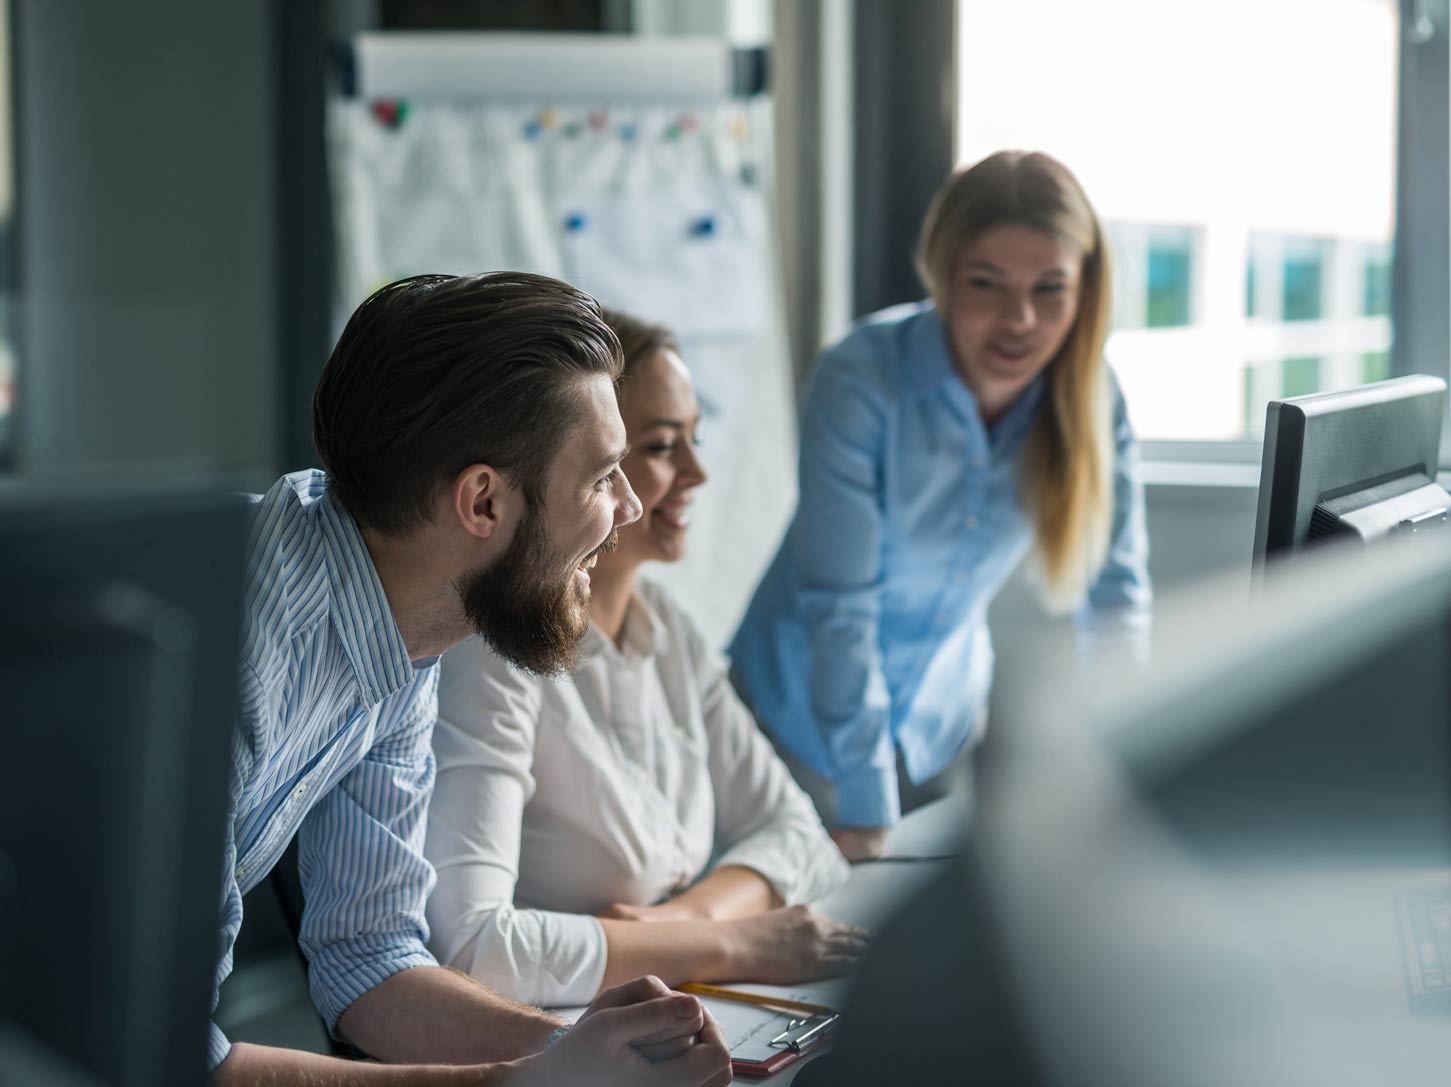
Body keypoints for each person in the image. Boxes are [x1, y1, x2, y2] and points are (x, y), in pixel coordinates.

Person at [214, 272, 732, 1086]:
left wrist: (566, 1050)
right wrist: (522, 1083)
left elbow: (369, 957)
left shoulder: (407, 625)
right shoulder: (231, 645)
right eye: (601, 477)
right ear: (482, 501)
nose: (628, 508)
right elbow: (166, 1055)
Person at [423, 309, 864, 1008]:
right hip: (553, 1033)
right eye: (661, 446)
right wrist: (733, 941)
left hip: (670, 998)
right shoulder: (493, 652)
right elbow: (474, 953)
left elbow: (797, 832)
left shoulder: (667, 631)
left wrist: (678, 923)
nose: (695, 471)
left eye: (694, 438)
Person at [730, 150, 1151, 861]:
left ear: (1084, 291)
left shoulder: (1091, 396)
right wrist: (865, 804)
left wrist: (1131, 769)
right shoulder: (860, 377)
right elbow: (841, 604)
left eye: (1050, 289)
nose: (1018, 320)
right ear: (942, 273)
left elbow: (1115, 599)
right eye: (987, 284)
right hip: (793, 728)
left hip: (939, 726)